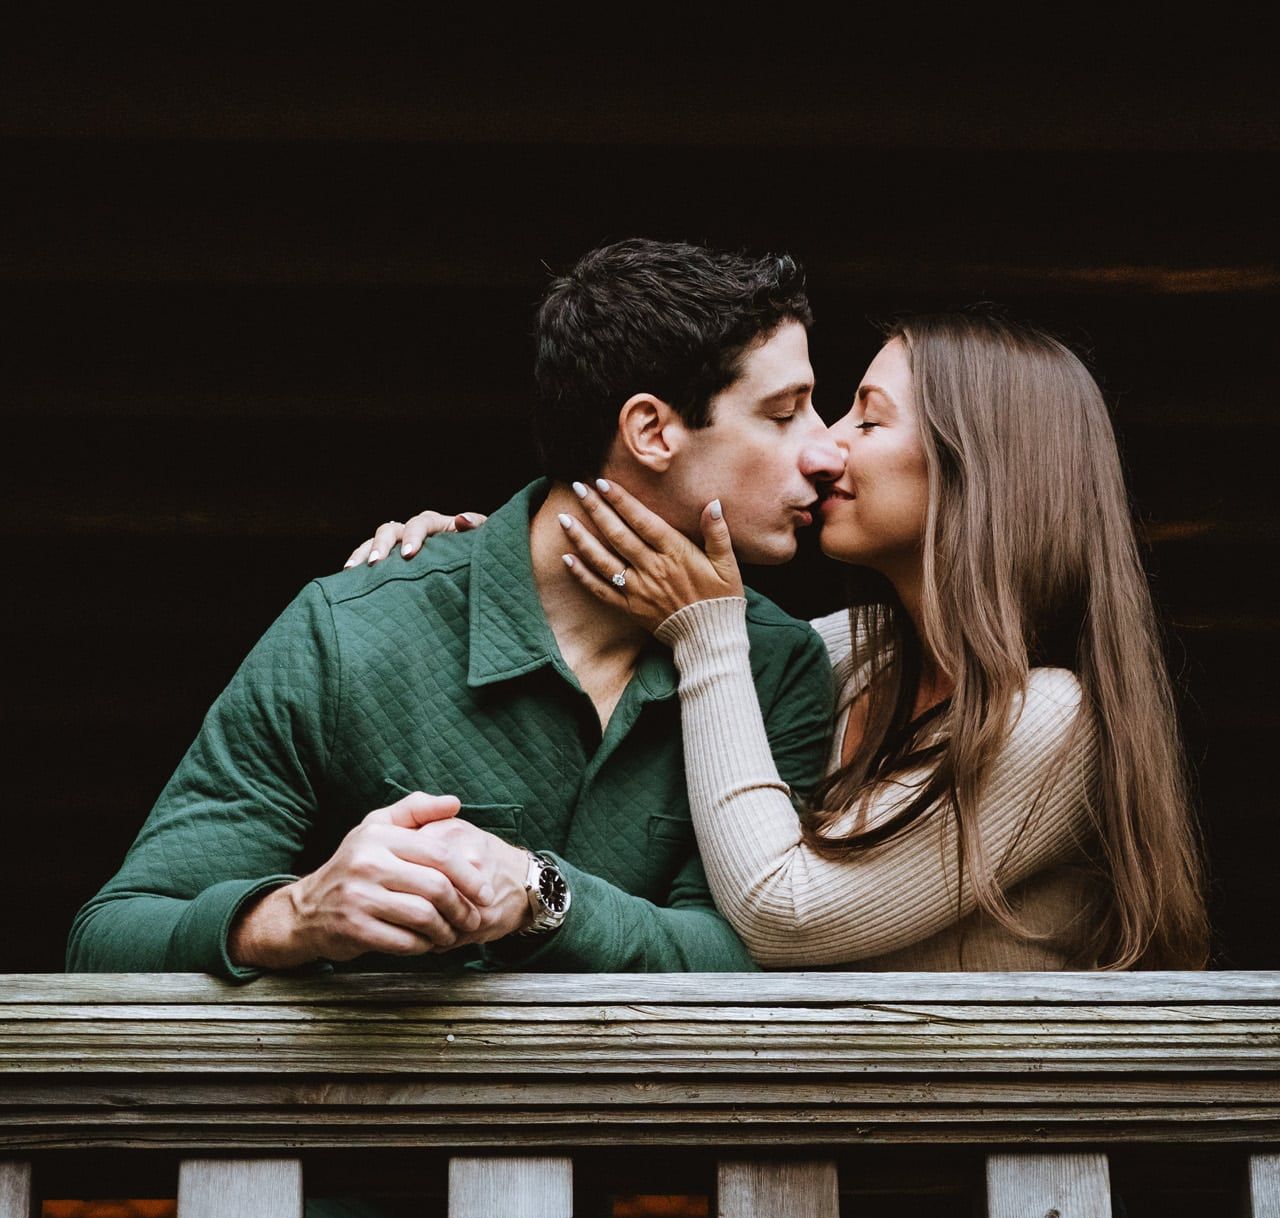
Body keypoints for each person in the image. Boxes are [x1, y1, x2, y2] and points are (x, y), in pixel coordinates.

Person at [65, 238, 844, 1218]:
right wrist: (295, 914)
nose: (826, 452)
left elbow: (742, 961)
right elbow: (109, 939)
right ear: (650, 428)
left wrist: (542, 896)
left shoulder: (779, 667)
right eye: (784, 411)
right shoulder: (352, 629)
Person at [352, 311, 1210, 972]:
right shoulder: (845, 657)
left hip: (990, 1191)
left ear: (976, 469)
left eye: (866, 423)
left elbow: (780, 913)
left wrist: (710, 632)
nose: (826, 448)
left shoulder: (1053, 720)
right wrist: (494, 561)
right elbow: (685, 667)